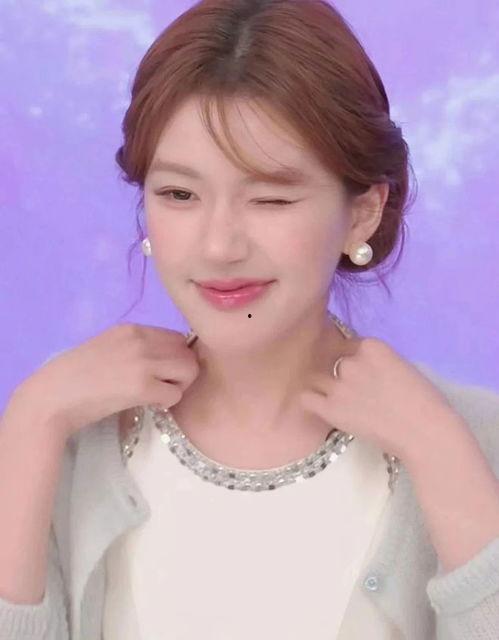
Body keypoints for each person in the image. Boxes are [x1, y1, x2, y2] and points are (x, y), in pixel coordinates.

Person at [1, 1, 498, 639]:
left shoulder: (469, 440)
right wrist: (30, 424)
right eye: (179, 194)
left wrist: (443, 456)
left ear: (362, 214)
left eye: (270, 198)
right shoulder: (68, 433)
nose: (218, 246)